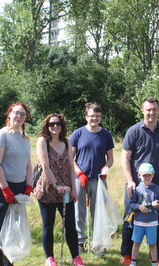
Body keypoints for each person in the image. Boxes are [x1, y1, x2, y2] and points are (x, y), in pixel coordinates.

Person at [121, 97, 159, 266]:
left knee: (157, 222)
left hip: (158, 186)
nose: (151, 112)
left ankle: (158, 257)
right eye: (148, 109)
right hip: (135, 187)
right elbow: (125, 158)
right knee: (130, 220)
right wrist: (130, 181)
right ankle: (127, 255)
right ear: (143, 111)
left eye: (154, 109)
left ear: (158, 110)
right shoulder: (133, 131)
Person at [33, 113, 85, 266]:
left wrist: (73, 190)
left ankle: (76, 257)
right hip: (47, 189)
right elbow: (45, 166)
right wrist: (57, 185)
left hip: (66, 191)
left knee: (69, 223)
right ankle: (50, 258)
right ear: (47, 126)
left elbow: (70, 167)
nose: (55, 126)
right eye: (51, 124)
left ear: (62, 125)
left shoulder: (67, 142)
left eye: (58, 123)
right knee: (48, 224)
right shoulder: (43, 141)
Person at [0, 103, 33, 265]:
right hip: (0, 187)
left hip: (19, 188)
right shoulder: (1, 135)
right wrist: (5, 190)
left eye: (23, 114)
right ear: (9, 114)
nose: (19, 116)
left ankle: (8, 261)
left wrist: (28, 186)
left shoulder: (25, 138)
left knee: (13, 228)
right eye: (16, 113)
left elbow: (28, 165)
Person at [70, 102, 114, 256]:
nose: (94, 118)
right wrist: (79, 173)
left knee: (98, 212)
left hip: (98, 180)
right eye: (92, 116)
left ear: (100, 117)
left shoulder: (106, 135)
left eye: (97, 116)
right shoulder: (78, 133)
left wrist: (106, 168)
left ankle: (98, 244)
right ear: (86, 116)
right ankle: (80, 242)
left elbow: (110, 158)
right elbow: (71, 158)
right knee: (78, 211)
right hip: (79, 179)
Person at [129, 163, 159, 266]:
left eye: (149, 175)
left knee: (152, 244)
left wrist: (157, 205)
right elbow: (131, 204)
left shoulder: (156, 190)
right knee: (136, 243)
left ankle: (154, 263)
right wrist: (139, 207)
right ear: (139, 176)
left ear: (153, 175)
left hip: (152, 223)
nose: (147, 177)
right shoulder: (136, 190)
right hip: (138, 222)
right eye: (144, 175)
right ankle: (133, 262)